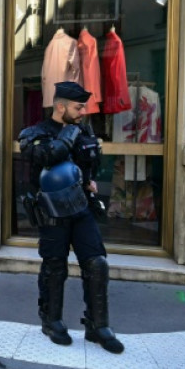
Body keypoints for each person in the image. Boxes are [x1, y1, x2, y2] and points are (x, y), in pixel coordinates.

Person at [19, 81, 124, 354]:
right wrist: (67, 134)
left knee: (97, 263)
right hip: (52, 211)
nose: (83, 112)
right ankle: (51, 320)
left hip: (81, 208)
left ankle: (97, 325)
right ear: (61, 106)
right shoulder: (35, 133)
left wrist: (88, 181)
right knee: (55, 266)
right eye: (78, 107)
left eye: (83, 107)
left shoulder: (83, 130)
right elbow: (46, 156)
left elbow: (88, 162)